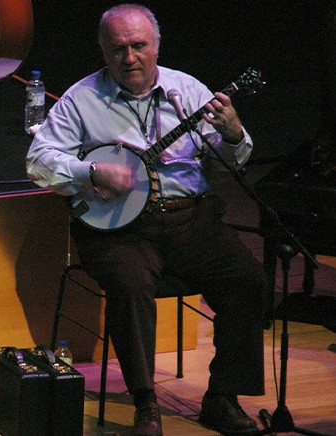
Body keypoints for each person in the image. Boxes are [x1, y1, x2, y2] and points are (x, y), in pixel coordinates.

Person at [26, 4, 266, 436]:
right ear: (103, 51)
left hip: (190, 219)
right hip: (119, 231)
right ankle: (146, 404)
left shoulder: (186, 90)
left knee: (248, 279)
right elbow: (38, 161)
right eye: (118, 49)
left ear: (156, 46)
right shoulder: (82, 99)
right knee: (131, 285)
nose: (130, 57)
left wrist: (233, 132)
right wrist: (92, 171)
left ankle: (222, 397)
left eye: (139, 46)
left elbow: (232, 161)